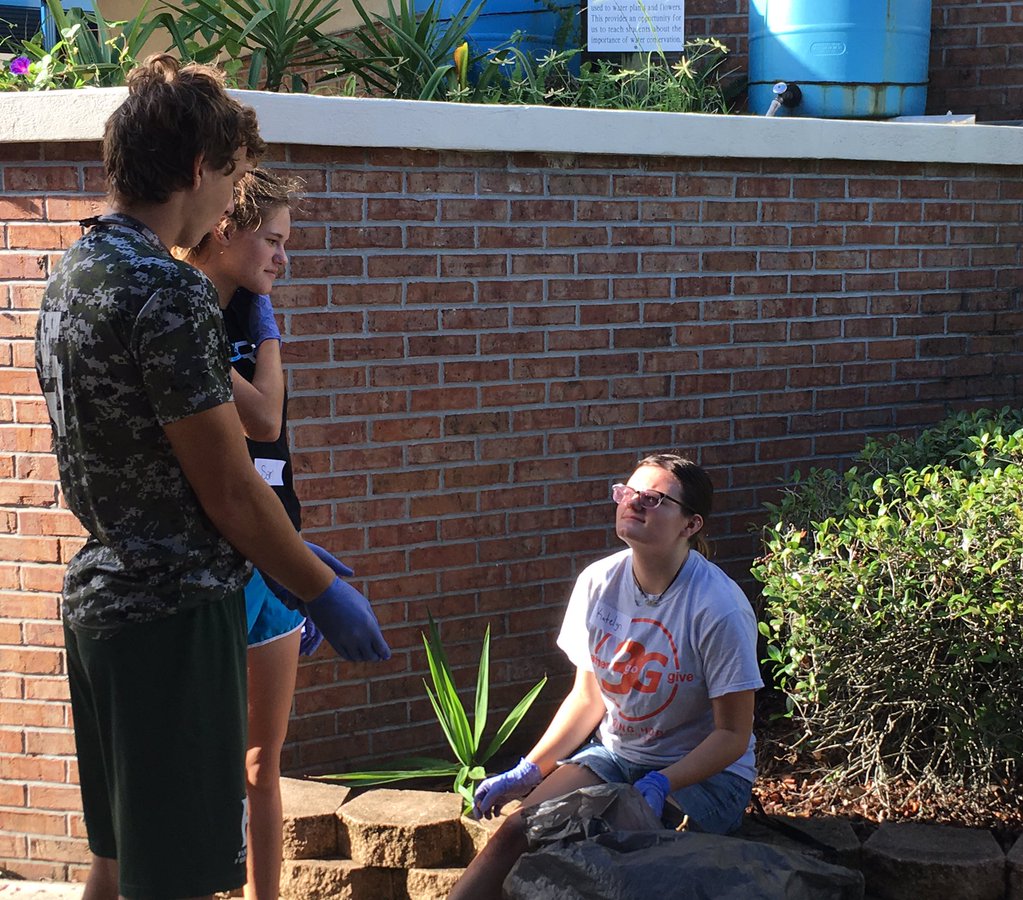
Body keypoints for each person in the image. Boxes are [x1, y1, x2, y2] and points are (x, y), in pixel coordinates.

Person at [34, 55, 389, 900]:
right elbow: (228, 487)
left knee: (119, 864)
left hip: (101, 603)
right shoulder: (168, 291)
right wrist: (312, 584)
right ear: (197, 168)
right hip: (172, 617)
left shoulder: (71, 272)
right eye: (232, 175)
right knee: (180, 878)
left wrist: (288, 552)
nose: (234, 198)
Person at [449, 453, 763, 900]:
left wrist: (663, 782)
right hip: (616, 757)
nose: (633, 503)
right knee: (518, 831)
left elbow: (733, 734)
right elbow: (587, 697)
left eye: (652, 499)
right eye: (627, 492)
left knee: (607, 854)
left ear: (690, 526)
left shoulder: (718, 608)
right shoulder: (598, 582)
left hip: (704, 778)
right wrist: (528, 769)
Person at [179, 167, 322, 900]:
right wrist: (264, 334)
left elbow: (272, 442)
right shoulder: (180, 313)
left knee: (263, 762)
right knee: (202, 760)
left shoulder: (248, 313)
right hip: (205, 565)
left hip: (273, 557)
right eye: (272, 238)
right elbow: (261, 418)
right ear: (225, 229)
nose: (282, 257)